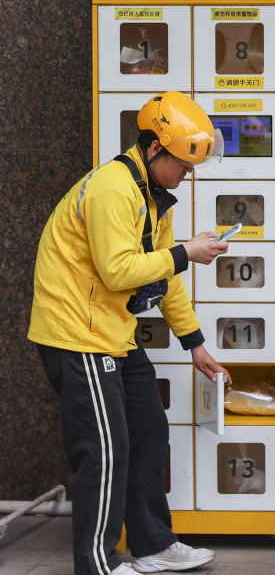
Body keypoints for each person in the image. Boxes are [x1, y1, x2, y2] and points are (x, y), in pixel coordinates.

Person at [28, 91, 232, 575]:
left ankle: (153, 545)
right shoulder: (112, 188)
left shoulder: (154, 199)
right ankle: (98, 563)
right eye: (182, 163)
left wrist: (195, 343)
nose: (188, 173)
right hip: (75, 334)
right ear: (154, 148)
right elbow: (118, 270)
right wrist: (185, 252)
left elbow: (165, 277)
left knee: (148, 431)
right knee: (104, 449)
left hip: (112, 331)